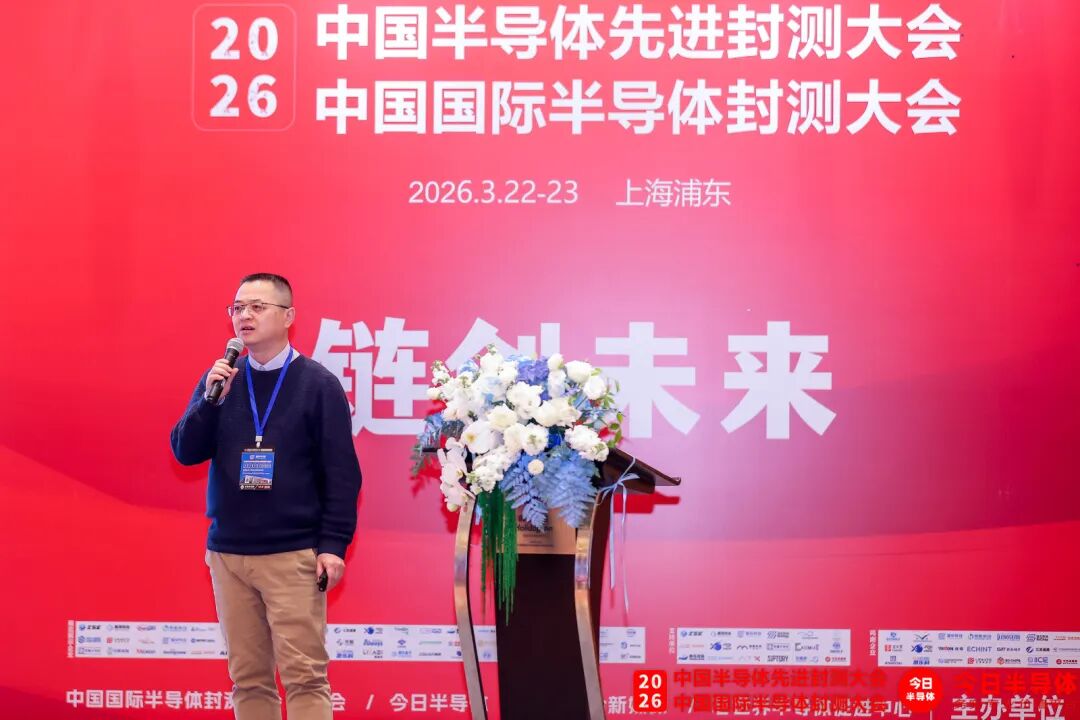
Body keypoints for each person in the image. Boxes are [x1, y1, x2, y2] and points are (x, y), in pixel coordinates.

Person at [170, 273, 362, 720]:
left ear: (288, 316)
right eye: (238, 308)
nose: (245, 316)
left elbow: (342, 474)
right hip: (228, 554)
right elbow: (184, 451)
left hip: (291, 554)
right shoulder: (222, 379)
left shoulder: (318, 384)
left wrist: (333, 546)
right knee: (248, 678)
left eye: (258, 307)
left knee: (304, 676)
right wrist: (210, 402)